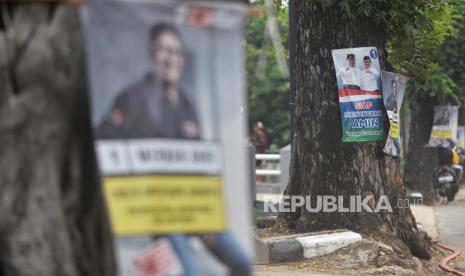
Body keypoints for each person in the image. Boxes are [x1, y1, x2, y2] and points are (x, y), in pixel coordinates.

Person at [97, 23, 199, 140]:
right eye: (165, 51)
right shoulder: (131, 98)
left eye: (177, 52)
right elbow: (105, 137)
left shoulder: (187, 105)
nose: (171, 59)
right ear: (152, 54)